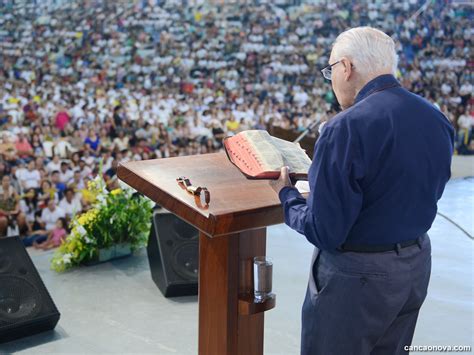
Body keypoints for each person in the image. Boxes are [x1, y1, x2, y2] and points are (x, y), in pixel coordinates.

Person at [270, 27, 454, 355]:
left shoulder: (345, 127)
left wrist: (287, 196)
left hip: (358, 279)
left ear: (346, 67)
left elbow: (324, 231)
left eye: (330, 71)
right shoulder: (435, 118)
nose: (332, 80)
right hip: (414, 265)